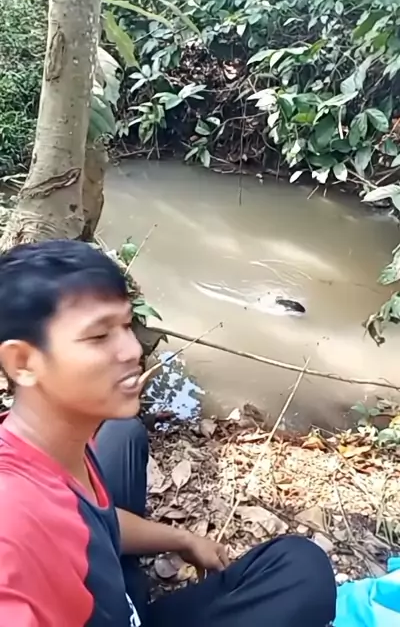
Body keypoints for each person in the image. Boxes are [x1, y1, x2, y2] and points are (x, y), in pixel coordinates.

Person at [0, 240, 336, 627]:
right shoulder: (14, 521)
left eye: (126, 326)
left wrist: (184, 539)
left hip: (117, 598)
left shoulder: (62, 441)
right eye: (99, 336)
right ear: (23, 362)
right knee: (304, 573)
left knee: (124, 433)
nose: (132, 350)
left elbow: (87, 525)